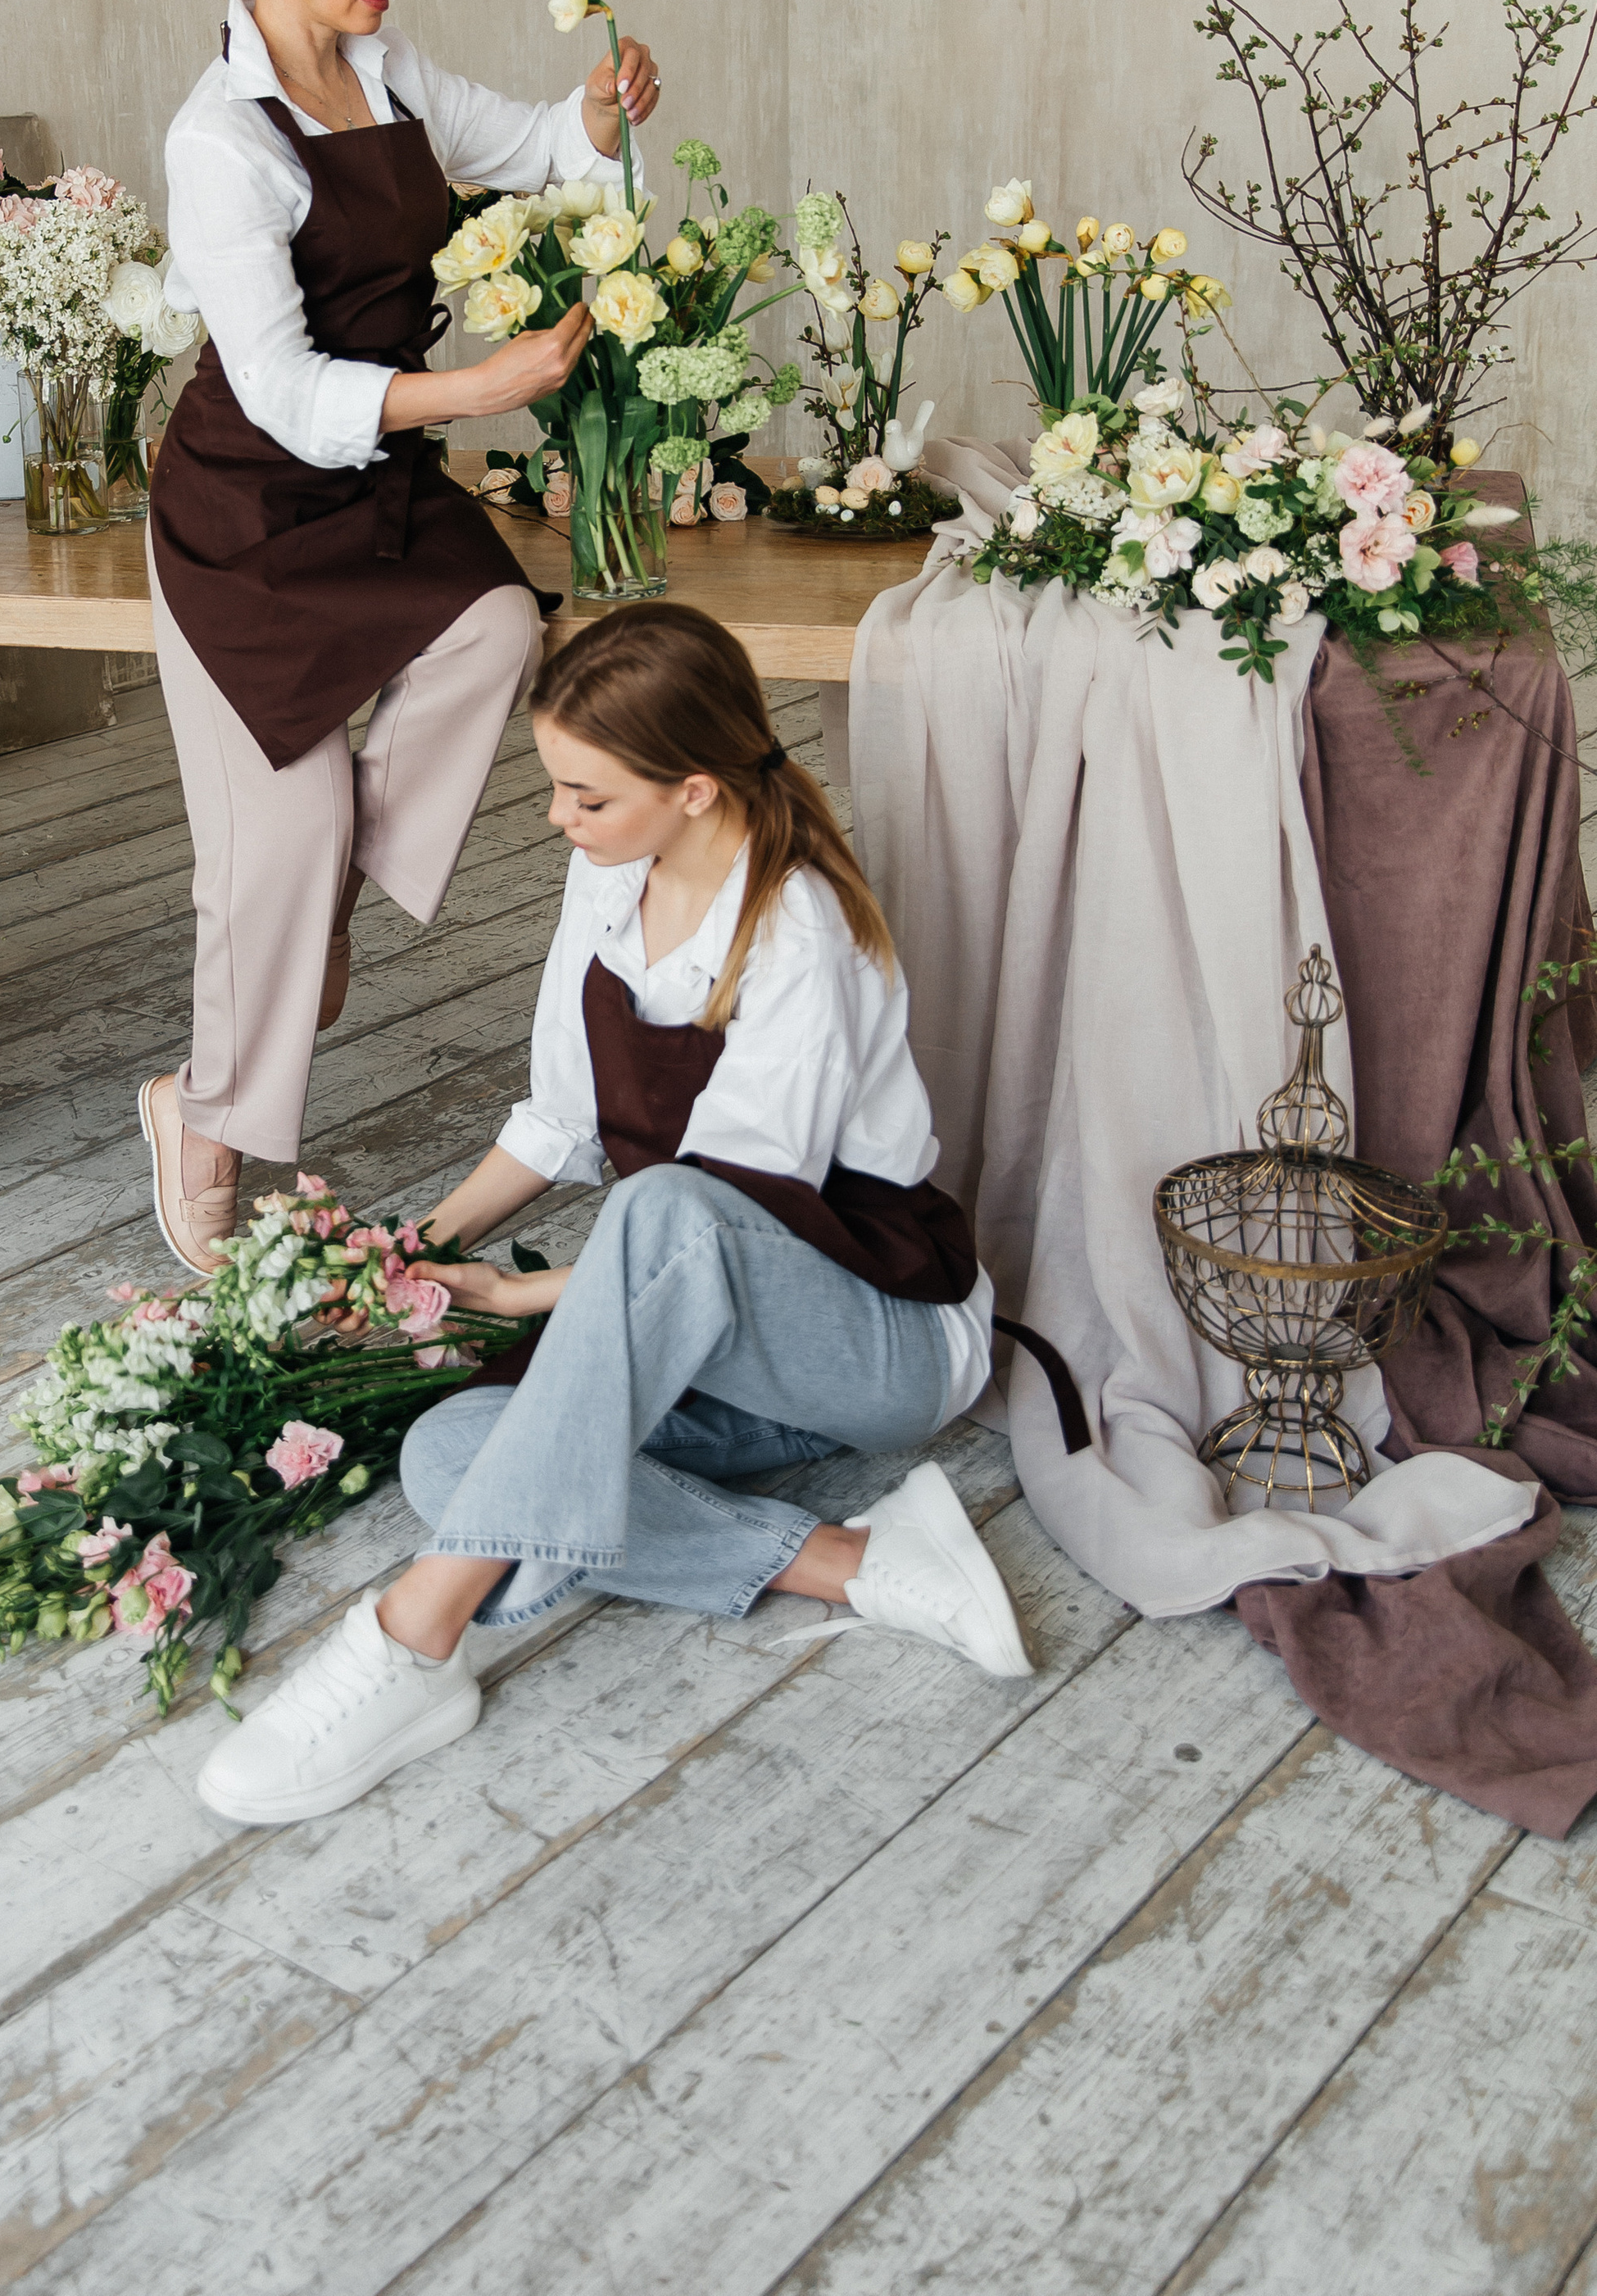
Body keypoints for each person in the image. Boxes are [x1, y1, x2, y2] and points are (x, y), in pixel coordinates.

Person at [197, 605, 1028, 1830]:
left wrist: (521, 1296)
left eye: (587, 797)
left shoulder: (799, 931)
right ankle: (853, 1562)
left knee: (666, 1212)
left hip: (873, 1328)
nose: (557, 819)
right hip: (701, 1325)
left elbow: (722, 1218)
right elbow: (556, 1122)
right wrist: (416, 1257)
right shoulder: (608, 879)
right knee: (450, 1453)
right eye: (556, 789)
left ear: (693, 790)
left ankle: (411, 1640)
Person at [140, 0, 660, 1266]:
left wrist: (599, 113)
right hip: (247, 517)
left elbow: (536, 143)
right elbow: (294, 397)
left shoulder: (391, 73)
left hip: (371, 491)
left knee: (502, 626)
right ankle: (206, 1119)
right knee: (279, 821)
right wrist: (478, 386)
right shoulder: (218, 141)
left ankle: (319, 904)